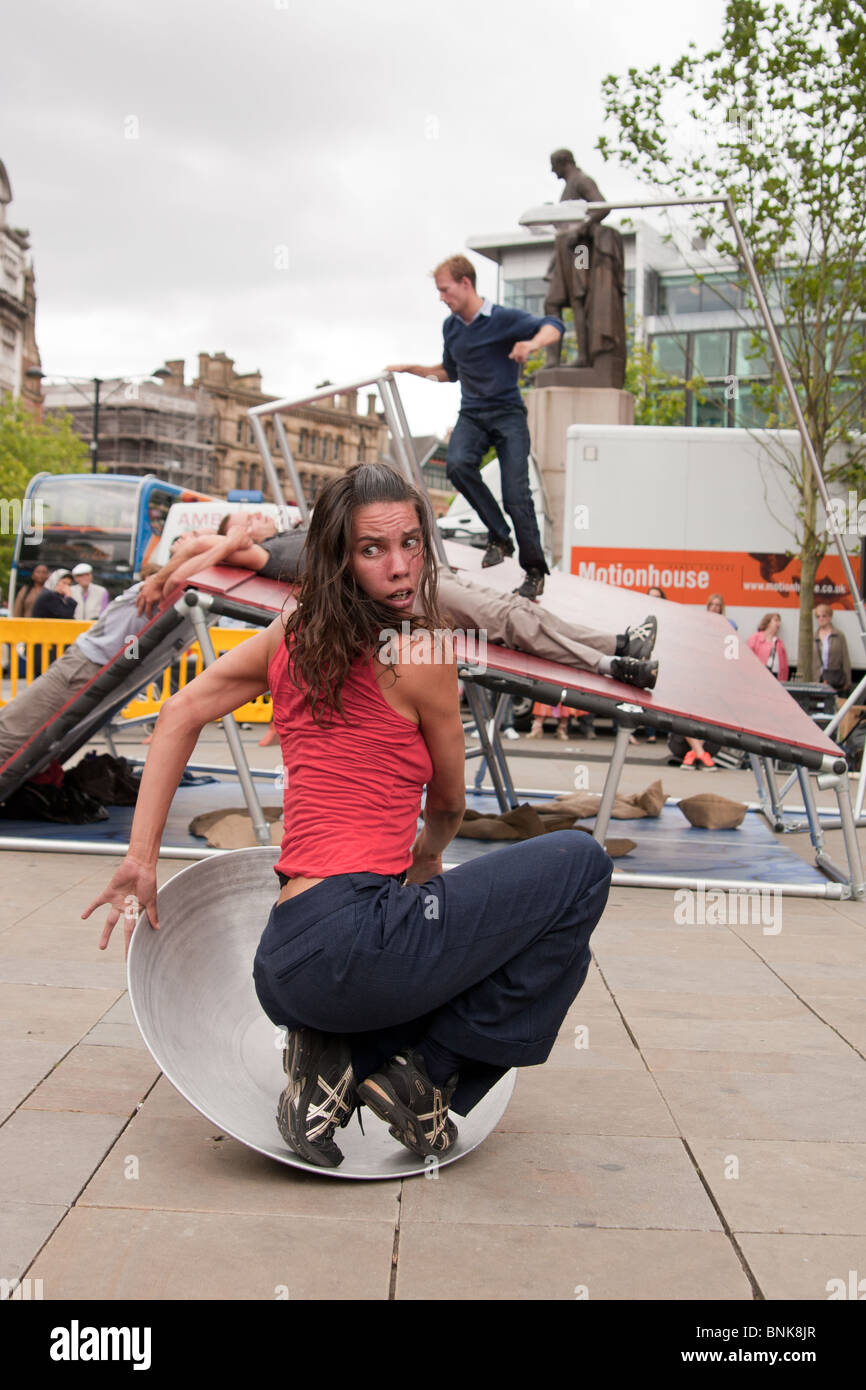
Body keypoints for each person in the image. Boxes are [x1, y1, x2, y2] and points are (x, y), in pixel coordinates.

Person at [84, 464, 613, 1170]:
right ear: (339, 557)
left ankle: (335, 1065)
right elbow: (448, 805)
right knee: (580, 868)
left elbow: (179, 712)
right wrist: (428, 858)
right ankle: (425, 1078)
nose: (399, 566)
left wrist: (141, 857)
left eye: (411, 543)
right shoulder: (424, 653)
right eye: (373, 549)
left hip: (283, 960)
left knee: (499, 935)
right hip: (356, 947)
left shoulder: (291, 631)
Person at [0, 526, 254, 777]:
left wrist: (229, 542)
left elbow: (177, 580)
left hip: (85, 664)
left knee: (11, 730)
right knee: (19, 731)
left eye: (196, 535)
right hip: (88, 661)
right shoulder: (168, 580)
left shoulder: (175, 583)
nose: (185, 536)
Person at [387, 254, 564, 601]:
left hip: (508, 413)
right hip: (472, 414)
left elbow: (554, 325)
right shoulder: (451, 328)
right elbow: (449, 373)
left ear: (465, 283)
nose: (442, 297)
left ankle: (534, 571)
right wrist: (413, 369)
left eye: (445, 290)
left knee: (516, 495)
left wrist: (531, 344)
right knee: (457, 466)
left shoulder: (504, 319)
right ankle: (500, 536)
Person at [814, 604, 852, 694]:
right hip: (818, 679)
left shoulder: (839, 635)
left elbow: (845, 659)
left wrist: (848, 681)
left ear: (830, 617)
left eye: (824, 616)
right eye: (818, 616)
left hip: (835, 679)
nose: (821, 619)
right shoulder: (813, 637)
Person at [748, 612, 789, 681]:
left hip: (776, 676)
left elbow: (784, 665)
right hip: (759, 676)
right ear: (767, 623)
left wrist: (783, 679)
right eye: (776, 620)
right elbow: (748, 658)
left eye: (779, 621)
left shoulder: (779, 643)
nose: (778, 624)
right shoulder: (755, 638)